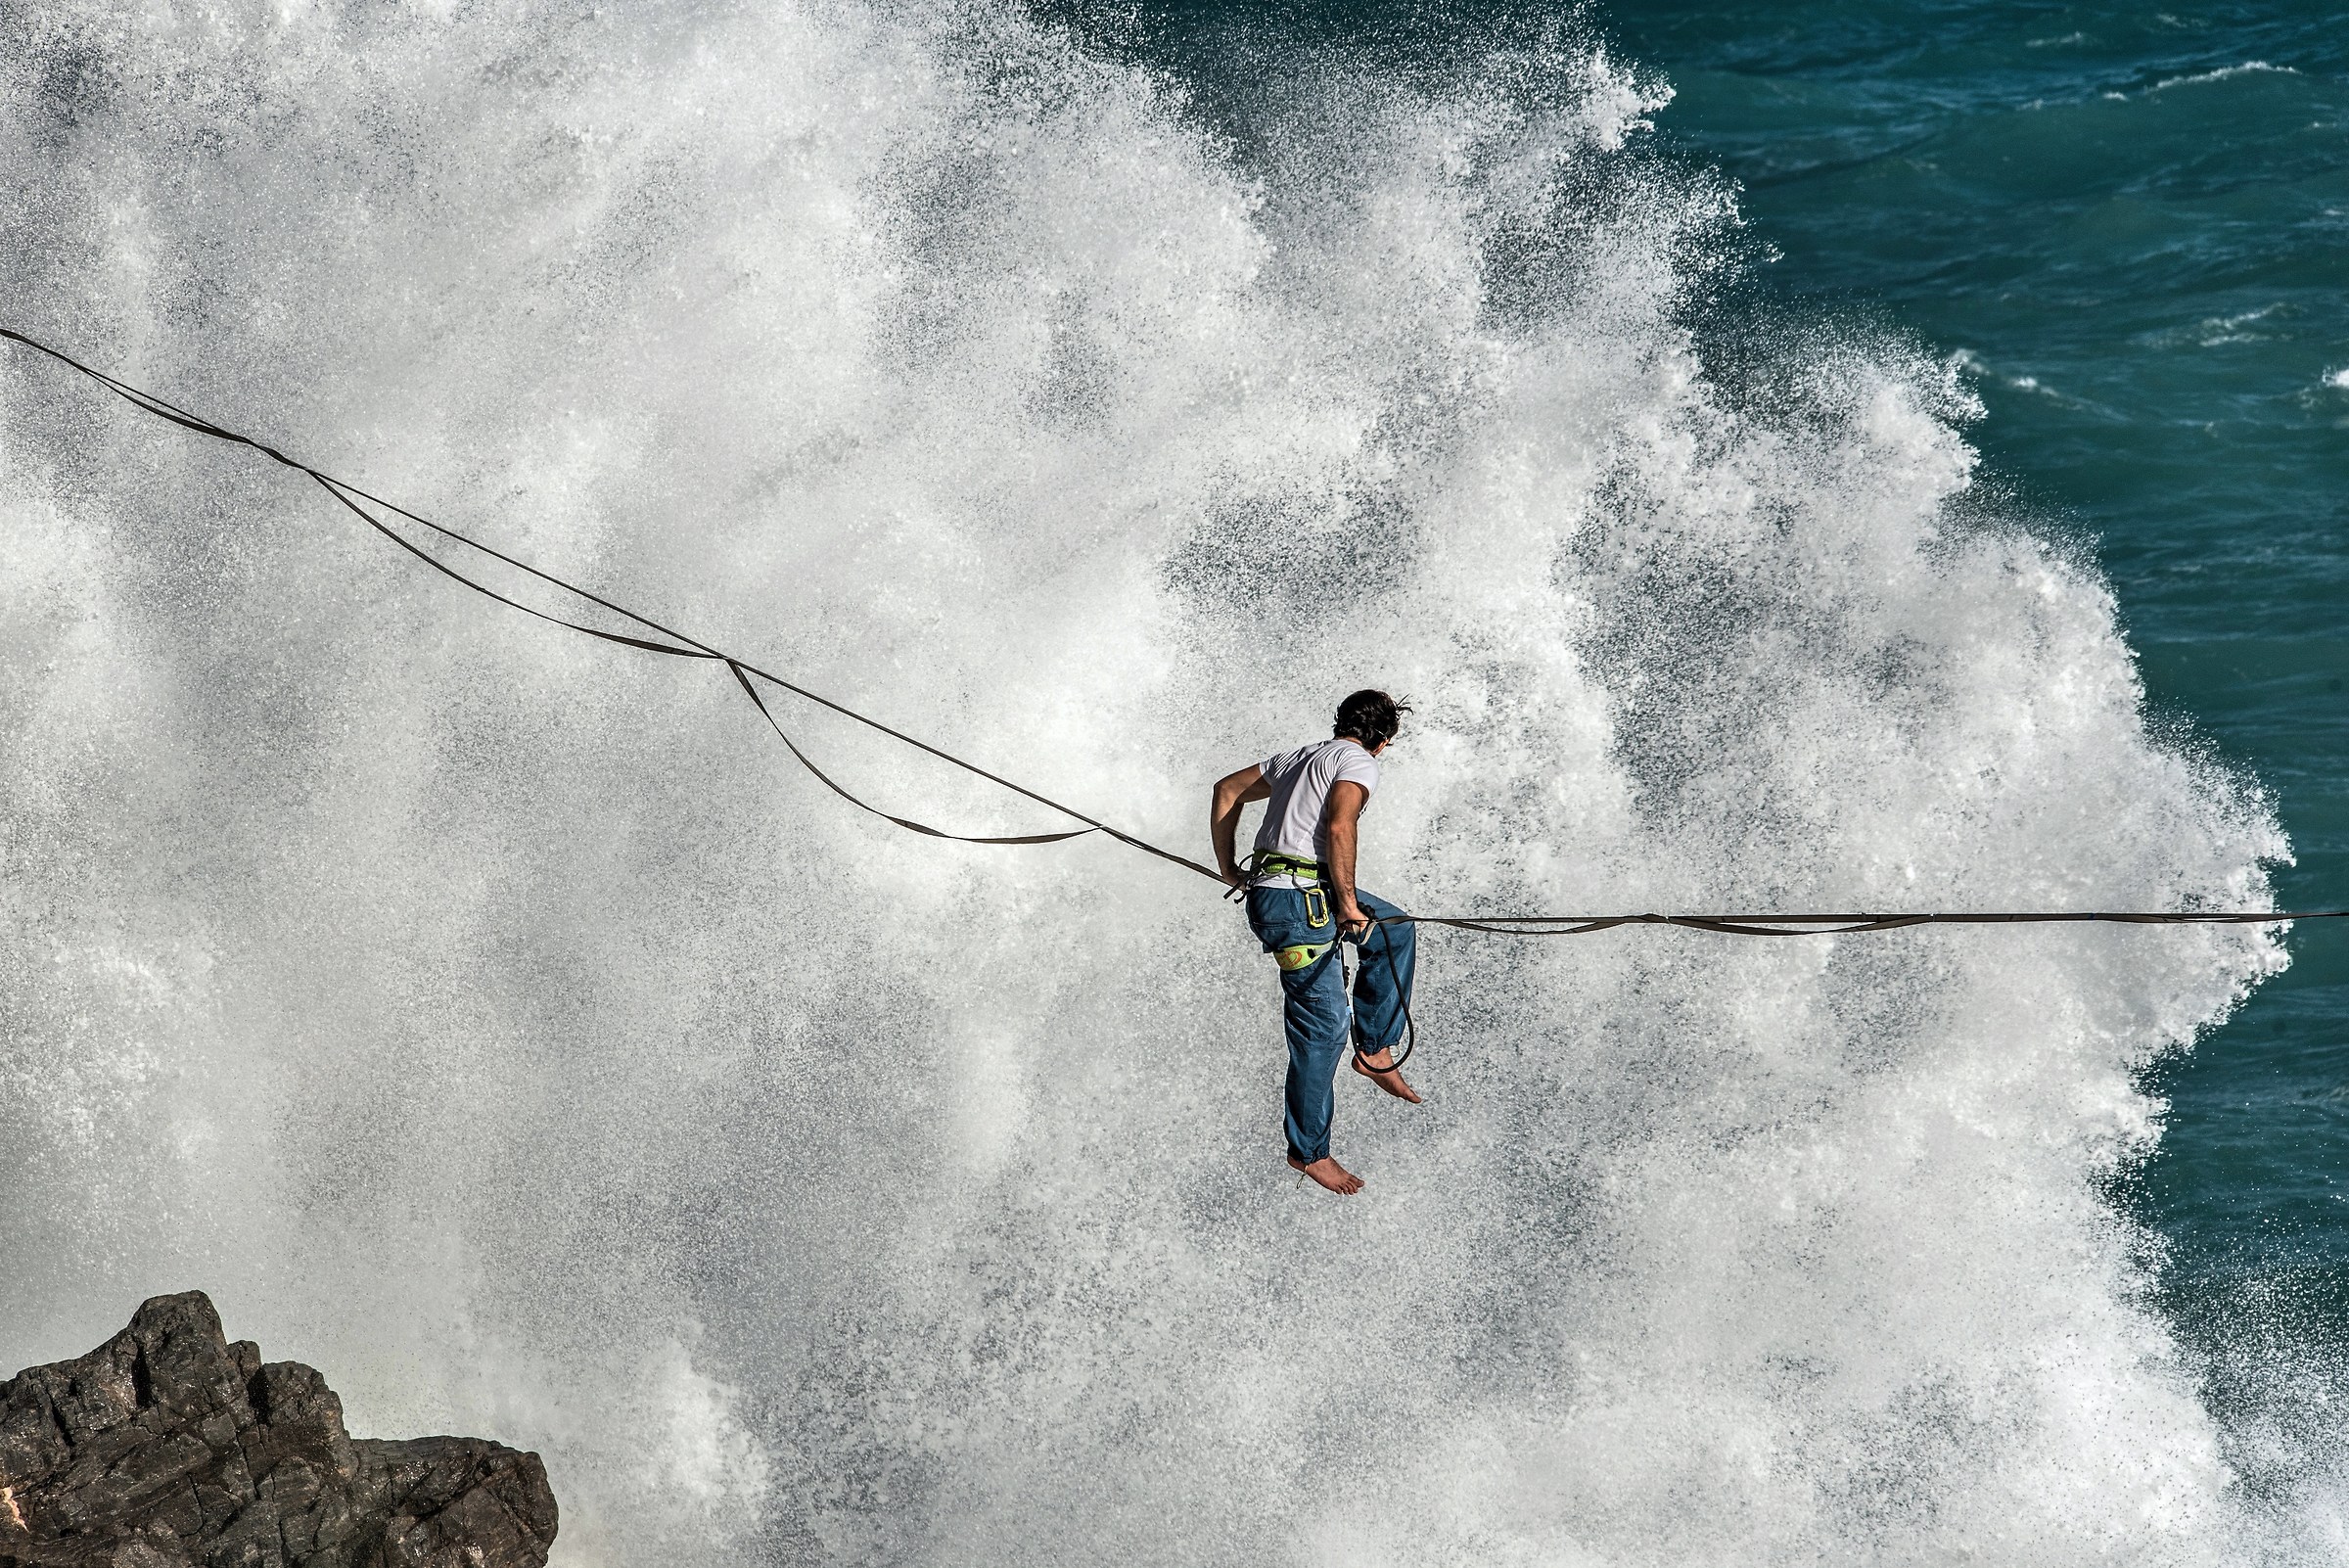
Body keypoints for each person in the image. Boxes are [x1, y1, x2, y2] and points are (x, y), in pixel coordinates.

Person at [1209, 689, 1420, 1195]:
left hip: (1287, 889)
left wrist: (1229, 867)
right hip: (1297, 904)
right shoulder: (1358, 762)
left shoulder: (1299, 757)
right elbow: (1340, 825)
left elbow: (1225, 789)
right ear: (1383, 741)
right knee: (1324, 1029)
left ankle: (1374, 1049)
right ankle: (1307, 1152)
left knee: (1394, 928)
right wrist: (1347, 905)